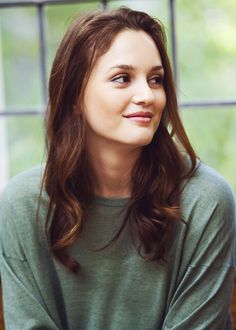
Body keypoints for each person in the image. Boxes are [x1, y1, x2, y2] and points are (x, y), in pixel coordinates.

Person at [0, 7, 235, 330]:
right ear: (73, 98)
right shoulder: (22, 205)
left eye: (156, 79)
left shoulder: (206, 201)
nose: (147, 95)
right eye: (122, 78)